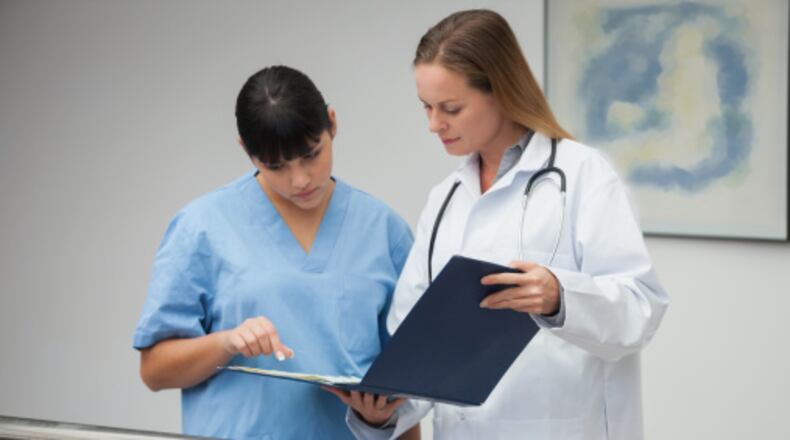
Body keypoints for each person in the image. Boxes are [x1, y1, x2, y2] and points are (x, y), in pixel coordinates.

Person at [331, 9, 669, 440]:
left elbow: (641, 309)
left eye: (451, 108)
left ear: (500, 91)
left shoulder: (584, 175)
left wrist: (559, 297)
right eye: (427, 107)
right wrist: (381, 412)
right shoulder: (445, 200)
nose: (434, 124)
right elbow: (416, 347)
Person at [133, 65, 418, 439]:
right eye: (275, 166)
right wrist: (225, 342)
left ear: (332, 123)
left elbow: (407, 386)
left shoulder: (384, 232)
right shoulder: (201, 227)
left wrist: (380, 418)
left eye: (311, 154)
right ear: (246, 150)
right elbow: (154, 371)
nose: (300, 179)